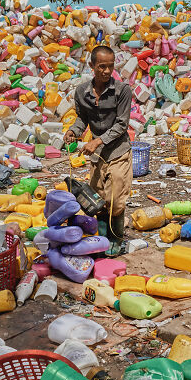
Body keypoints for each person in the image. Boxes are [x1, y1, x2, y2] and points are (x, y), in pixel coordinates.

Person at [64, 46, 132, 256]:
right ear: (92, 65)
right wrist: (73, 131)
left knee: (116, 200)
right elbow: (82, 118)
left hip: (118, 151)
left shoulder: (122, 91)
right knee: (98, 199)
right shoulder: (82, 92)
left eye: (110, 66)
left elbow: (121, 125)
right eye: (101, 66)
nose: (106, 71)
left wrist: (97, 141)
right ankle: (103, 240)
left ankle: (116, 240)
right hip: (97, 155)